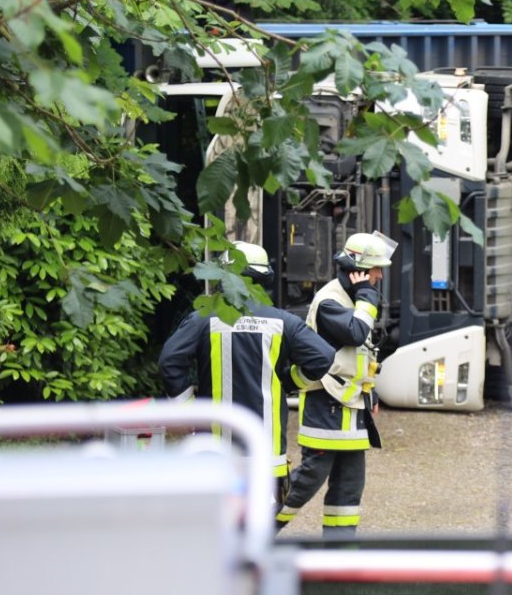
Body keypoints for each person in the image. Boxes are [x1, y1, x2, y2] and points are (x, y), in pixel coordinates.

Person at [158, 241, 334, 504]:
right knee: (258, 531)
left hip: (216, 453)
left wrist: (188, 409)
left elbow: (169, 362)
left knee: (218, 528)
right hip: (267, 454)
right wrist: (291, 381)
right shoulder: (282, 321)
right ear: (263, 278)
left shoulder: (205, 318)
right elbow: (324, 356)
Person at [276, 231, 395, 540]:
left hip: (351, 403)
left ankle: (339, 556)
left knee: (349, 486)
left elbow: (358, 354)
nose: (379, 276)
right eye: (375, 270)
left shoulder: (351, 297)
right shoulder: (331, 301)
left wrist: (372, 391)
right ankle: (257, 531)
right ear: (357, 271)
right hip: (325, 405)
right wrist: (366, 298)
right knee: (306, 481)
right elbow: (355, 333)